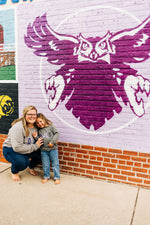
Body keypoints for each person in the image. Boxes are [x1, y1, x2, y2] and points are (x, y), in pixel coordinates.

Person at [2, 105, 43, 181]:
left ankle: (31, 167)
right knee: (23, 162)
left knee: (43, 153)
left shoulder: (36, 125)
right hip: (10, 149)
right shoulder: (18, 127)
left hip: (25, 147)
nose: (32, 116)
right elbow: (17, 147)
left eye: (33, 114)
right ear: (24, 115)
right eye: (29, 114)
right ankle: (14, 171)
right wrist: (35, 146)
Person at [33, 113, 60, 184]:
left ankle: (57, 177)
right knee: (45, 164)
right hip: (43, 150)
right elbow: (39, 140)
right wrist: (36, 137)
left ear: (44, 119)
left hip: (53, 149)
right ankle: (46, 176)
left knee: (55, 163)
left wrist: (52, 141)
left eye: (41, 121)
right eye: (38, 123)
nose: (40, 124)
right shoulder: (39, 130)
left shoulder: (51, 126)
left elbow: (56, 133)